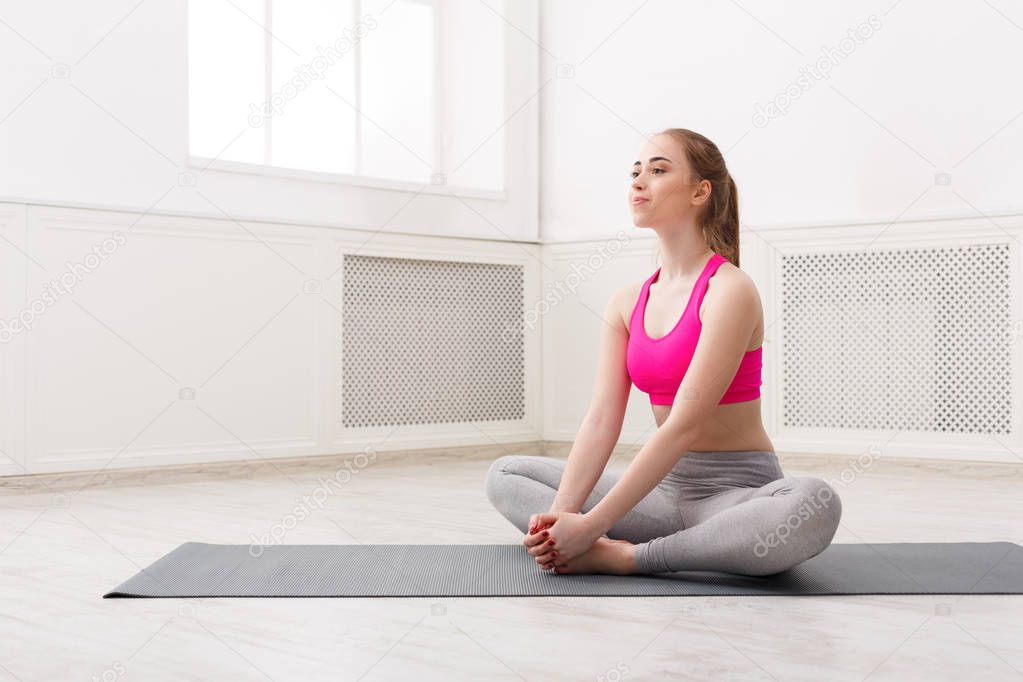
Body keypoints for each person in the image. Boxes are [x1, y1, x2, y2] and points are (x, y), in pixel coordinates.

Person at [485, 128, 842, 576]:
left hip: (735, 497)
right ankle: (666, 547)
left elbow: (683, 427)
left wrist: (593, 525)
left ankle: (631, 556)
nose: (638, 181)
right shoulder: (626, 302)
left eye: (657, 170)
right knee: (506, 474)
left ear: (700, 191)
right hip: (661, 496)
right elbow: (601, 420)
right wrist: (562, 521)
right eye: (635, 172)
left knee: (815, 502)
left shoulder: (730, 290)